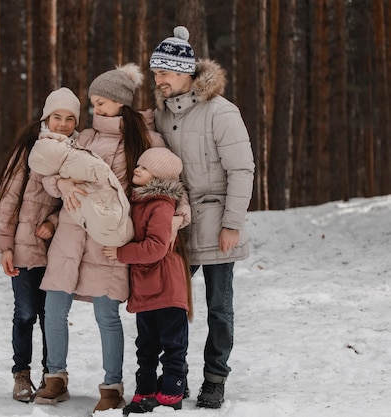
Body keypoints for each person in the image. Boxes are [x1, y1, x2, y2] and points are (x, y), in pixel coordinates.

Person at [32, 63, 166, 413]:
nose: (95, 109)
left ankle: (111, 385)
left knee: (107, 314)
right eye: (93, 102)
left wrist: (175, 218)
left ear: (120, 102)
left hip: (109, 241)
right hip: (70, 235)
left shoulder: (146, 140)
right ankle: (54, 377)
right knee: (54, 308)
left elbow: (166, 184)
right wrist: (59, 184)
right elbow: (48, 171)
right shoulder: (83, 138)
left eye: (101, 101)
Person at [149, 26, 256, 408]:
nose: (158, 80)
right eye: (155, 73)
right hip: (177, 225)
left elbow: (242, 170)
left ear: (186, 73)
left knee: (218, 307)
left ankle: (215, 378)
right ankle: (174, 373)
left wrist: (232, 224)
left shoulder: (221, 112)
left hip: (216, 222)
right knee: (166, 303)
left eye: (164, 73)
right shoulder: (161, 114)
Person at [0, 87, 80, 403]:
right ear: (46, 117)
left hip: (57, 250)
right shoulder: (30, 149)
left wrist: (52, 223)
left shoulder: (77, 152)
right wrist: (5, 247)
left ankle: (50, 375)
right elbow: (8, 200)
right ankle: (21, 374)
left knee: (50, 317)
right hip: (25, 249)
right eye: (58, 117)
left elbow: (74, 202)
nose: (63, 124)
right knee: (26, 313)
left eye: (70, 118)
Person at [102, 147, 193, 415]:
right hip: (145, 288)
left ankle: (173, 391)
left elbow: (156, 247)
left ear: (158, 177)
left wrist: (121, 253)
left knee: (172, 343)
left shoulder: (161, 205)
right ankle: (145, 390)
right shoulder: (140, 202)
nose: (136, 169)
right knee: (146, 344)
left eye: (143, 168)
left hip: (165, 285)